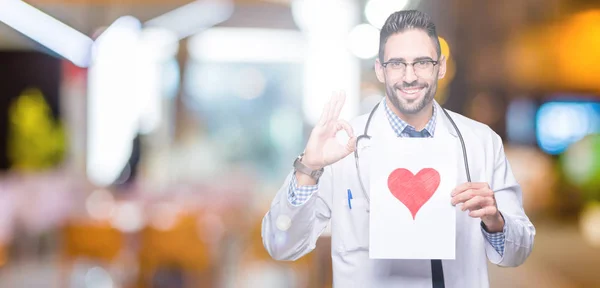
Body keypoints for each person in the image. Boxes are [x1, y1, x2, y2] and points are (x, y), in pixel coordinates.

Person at [261, 10, 535, 288]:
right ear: (380, 70)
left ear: (440, 66)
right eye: (397, 64)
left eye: (422, 63)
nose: (409, 76)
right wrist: (308, 168)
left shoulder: (481, 142)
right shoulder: (341, 147)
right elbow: (279, 245)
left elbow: (518, 251)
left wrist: (495, 220)